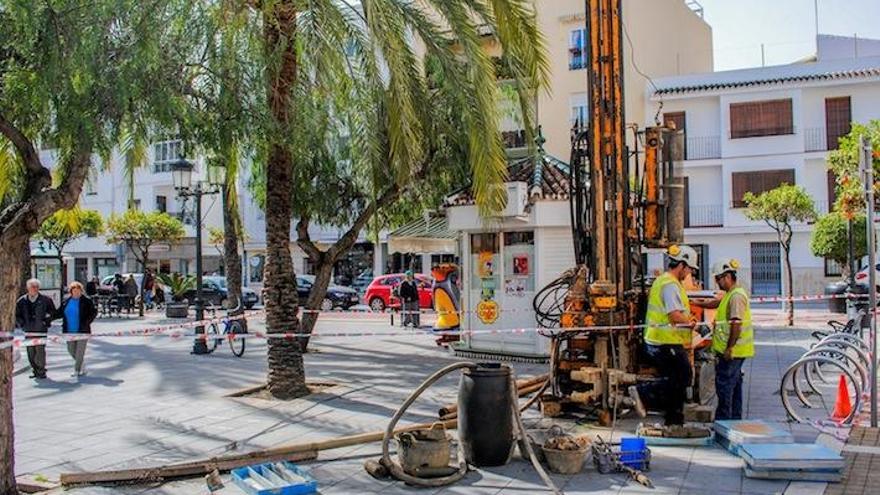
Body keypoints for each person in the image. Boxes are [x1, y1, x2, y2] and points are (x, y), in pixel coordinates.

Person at [630, 245, 698, 425]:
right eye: (689, 268)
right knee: (683, 376)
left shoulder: (666, 281)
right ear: (682, 265)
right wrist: (689, 322)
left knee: (677, 380)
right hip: (663, 342)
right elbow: (674, 315)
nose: (690, 273)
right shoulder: (669, 284)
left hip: (662, 340)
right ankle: (642, 392)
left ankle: (674, 420)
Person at [696, 259, 754, 420]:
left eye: (718, 279)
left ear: (727, 277)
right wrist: (693, 302)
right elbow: (714, 303)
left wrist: (729, 348)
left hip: (733, 352)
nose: (717, 283)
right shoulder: (731, 294)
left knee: (725, 388)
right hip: (732, 351)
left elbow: (736, 324)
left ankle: (724, 423)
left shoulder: (736, 296)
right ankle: (735, 421)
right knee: (734, 387)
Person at [14, 279, 56, 379]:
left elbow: (53, 312)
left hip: (40, 329)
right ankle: (35, 370)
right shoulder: (22, 300)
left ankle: (41, 371)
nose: (35, 289)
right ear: (28, 288)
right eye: (32, 287)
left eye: (36, 287)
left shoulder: (46, 300)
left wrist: (46, 321)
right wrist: (22, 324)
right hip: (28, 330)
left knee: (40, 351)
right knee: (31, 352)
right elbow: (17, 315)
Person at [56, 281, 97, 377]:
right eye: (74, 291)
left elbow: (93, 312)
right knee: (71, 350)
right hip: (69, 331)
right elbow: (59, 313)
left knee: (79, 352)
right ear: (71, 291)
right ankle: (82, 364)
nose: (76, 292)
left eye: (78, 291)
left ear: (81, 291)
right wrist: (48, 319)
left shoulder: (86, 301)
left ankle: (77, 370)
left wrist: (87, 322)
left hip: (82, 331)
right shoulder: (66, 301)